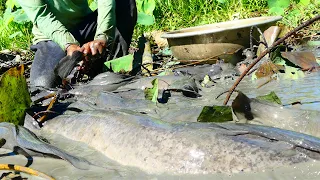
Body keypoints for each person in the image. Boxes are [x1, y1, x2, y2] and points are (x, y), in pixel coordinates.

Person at [17, 0, 137, 88]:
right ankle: (83, 66)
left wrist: (102, 37)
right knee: (42, 85)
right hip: (51, 39)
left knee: (125, 2)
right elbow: (42, 16)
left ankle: (111, 68)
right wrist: (70, 45)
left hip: (86, 26)